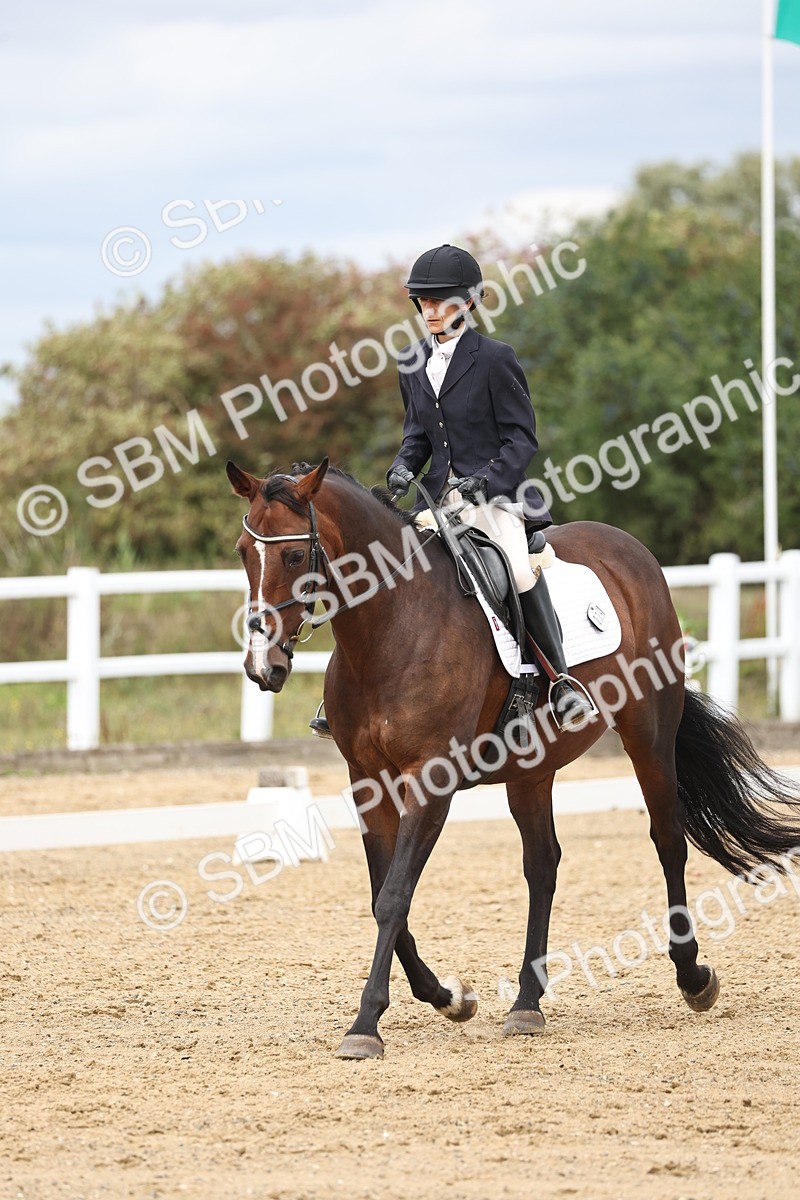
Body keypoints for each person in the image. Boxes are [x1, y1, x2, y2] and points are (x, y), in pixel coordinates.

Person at [310, 243, 593, 737]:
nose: (432, 312)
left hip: (495, 501)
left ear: (468, 303)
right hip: (436, 504)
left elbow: (521, 436)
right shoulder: (412, 361)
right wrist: (402, 468)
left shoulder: (495, 359)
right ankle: (343, 696)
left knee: (517, 572)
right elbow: (417, 436)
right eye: (424, 303)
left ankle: (558, 682)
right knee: (379, 574)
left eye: (442, 302)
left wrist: (487, 477)